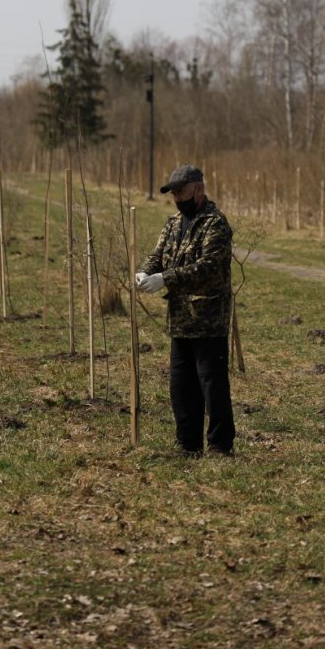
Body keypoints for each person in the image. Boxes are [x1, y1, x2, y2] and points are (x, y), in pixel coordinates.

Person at [136, 164, 235, 458]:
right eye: (174, 193)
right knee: (181, 386)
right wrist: (145, 271)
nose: (177, 197)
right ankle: (188, 444)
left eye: (181, 191)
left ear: (199, 188)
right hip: (180, 319)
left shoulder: (215, 224)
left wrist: (166, 278)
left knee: (212, 384)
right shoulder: (173, 223)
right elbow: (158, 255)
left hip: (208, 318)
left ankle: (220, 446)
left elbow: (207, 267)